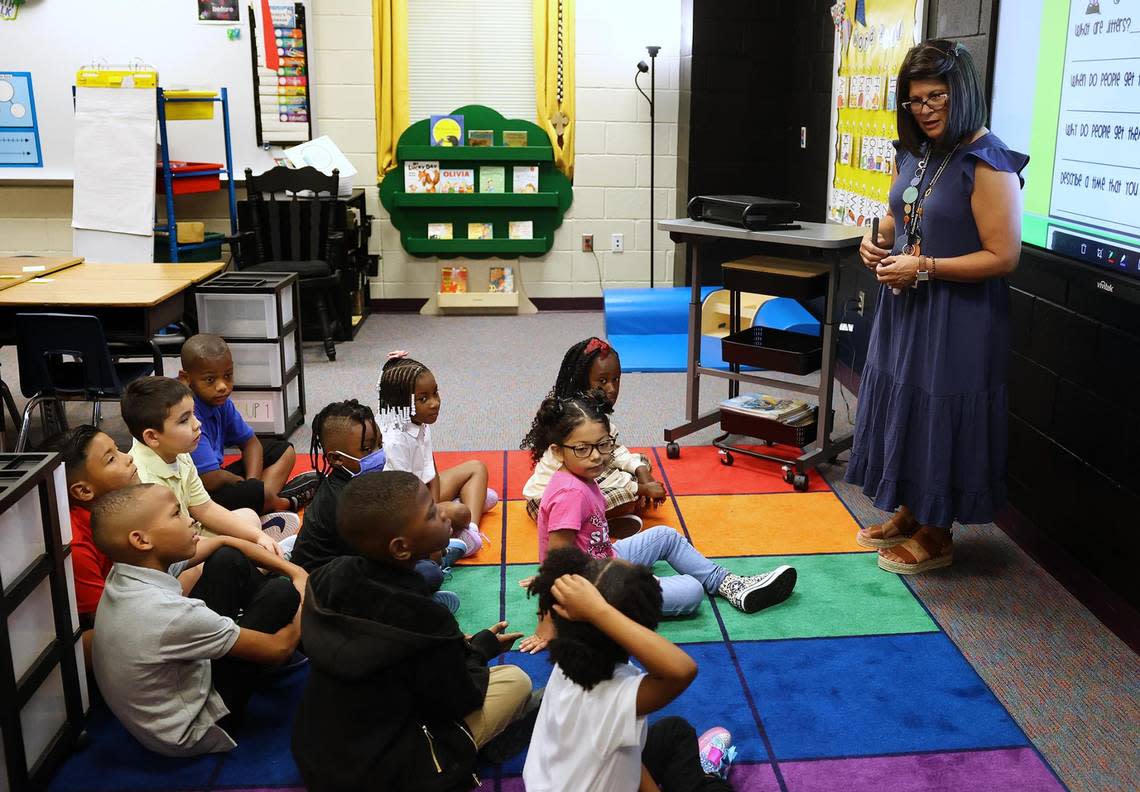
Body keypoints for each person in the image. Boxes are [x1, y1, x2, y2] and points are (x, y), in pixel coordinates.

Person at [849, 39, 1028, 574]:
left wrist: (924, 267)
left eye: (937, 98)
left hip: (960, 317)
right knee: (909, 403)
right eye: (915, 100)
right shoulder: (922, 150)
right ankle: (911, 508)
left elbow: (1004, 255)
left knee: (941, 409)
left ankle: (938, 531)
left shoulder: (986, 159)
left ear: (962, 94)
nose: (924, 110)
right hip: (909, 306)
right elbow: (902, 216)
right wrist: (876, 240)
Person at [292, 471, 537, 792]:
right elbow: (458, 700)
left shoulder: (327, 577)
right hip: (389, 772)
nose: (446, 511)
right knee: (517, 681)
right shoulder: (428, 620)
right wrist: (478, 649)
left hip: (317, 751)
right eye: (433, 513)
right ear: (401, 548)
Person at [518, 391, 797, 653]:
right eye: (582, 448)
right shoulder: (570, 494)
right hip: (596, 587)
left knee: (664, 535)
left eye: (603, 445)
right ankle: (607, 614)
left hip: (604, 558)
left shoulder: (579, 477)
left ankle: (729, 584)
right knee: (692, 590)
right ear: (557, 451)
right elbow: (558, 559)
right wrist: (547, 623)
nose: (596, 455)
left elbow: (565, 547)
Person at [91, 483, 305, 756]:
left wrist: (293, 569)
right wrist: (304, 592)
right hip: (193, 730)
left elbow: (222, 542)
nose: (190, 519)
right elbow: (279, 648)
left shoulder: (129, 569)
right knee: (282, 593)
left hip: (158, 711)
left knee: (227, 559)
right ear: (141, 540)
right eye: (176, 514)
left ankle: (256, 624)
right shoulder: (168, 614)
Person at [523, 547, 736, 791]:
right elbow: (682, 670)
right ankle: (707, 781)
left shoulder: (570, 659)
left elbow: (624, 749)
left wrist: (593, 611)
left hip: (554, 781)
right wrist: (598, 611)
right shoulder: (614, 696)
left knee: (675, 732)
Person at [289, 400, 459, 613]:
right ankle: (416, 605)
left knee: (424, 559)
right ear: (336, 459)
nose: (379, 453)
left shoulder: (359, 485)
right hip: (325, 589)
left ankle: (428, 576)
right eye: (367, 449)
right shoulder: (345, 501)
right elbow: (372, 563)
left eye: (379, 444)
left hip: (349, 568)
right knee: (427, 572)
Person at [121, 376, 284, 565]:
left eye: (193, 414)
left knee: (250, 518)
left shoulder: (178, 451)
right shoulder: (145, 482)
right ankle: (263, 561)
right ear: (152, 437)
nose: (197, 424)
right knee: (227, 557)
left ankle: (259, 558)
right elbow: (171, 549)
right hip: (173, 554)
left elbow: (204, 508)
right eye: (184, 420)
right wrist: (240, 544)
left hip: (191, 532)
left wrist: (256, 537)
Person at [523, 337, 667, 538]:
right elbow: (588, 473)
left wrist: (641, 470)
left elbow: (614, 451)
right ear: (583, 381)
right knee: (627, 498)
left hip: (586, 478)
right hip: (548, 503)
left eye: (616, 379)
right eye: (602, 381)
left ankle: (601, 520)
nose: (612, 388)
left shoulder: (595, 415)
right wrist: (641, 488)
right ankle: (597, 524)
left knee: (642, 460)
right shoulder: (576, 421)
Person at [179, 333, 320, 517]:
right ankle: (283, 503)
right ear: (186, 379)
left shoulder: (220, 401)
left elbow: (251, 443)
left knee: (283, 450)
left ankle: (262, 504)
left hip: (219, 477)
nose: (222, 386)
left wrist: (252, 484)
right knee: (250, 490)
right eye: (210, 380)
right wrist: (247, 486)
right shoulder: (186, 413)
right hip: (198, 493)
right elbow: (209, 479)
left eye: (228, 375)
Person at [377, 352, 498, 559]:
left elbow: (431, 471)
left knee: (477, 468)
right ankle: (460, 517)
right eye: (423, 399)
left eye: (435, 393)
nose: (435, 403)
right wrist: (432, 515)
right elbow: (404, 499)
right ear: (402, 402)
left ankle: (470, 531)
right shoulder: (394, 441)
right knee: (462, 512)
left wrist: (435, 508)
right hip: (406, 507)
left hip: (423, 492)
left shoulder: (420, 422)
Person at [42, 426, 141, 667]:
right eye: (111, 458)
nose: (128, 458)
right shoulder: (74, 545)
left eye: (118, 450)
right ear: (84, 491)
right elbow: (109, 623)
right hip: (95, 637)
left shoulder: (109, 513)